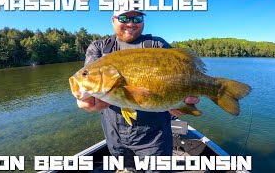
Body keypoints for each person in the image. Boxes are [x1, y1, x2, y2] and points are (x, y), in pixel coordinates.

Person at [77, 9, 200, 172]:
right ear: (113, 20)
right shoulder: (99, 48)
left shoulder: (157, 45)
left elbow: (181, 75)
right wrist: (84, 96)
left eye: (137, 19)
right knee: (127, 169)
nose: (130, 23)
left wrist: (182, 104)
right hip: (115, 135)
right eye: (124, 18)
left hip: (155, 137)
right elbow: (88, 78)